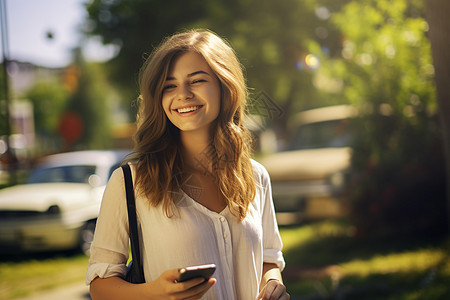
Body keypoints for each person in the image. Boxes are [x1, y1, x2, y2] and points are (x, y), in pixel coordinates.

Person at [86, 29, 289, 300]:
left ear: (224, 86)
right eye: (169, 85)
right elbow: (100, 285)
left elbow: (269, 258)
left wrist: (272, 283)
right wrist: (154, 292)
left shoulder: (255, 176)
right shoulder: (130, 182)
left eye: (196, 80)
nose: (182, 94)